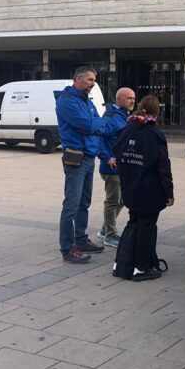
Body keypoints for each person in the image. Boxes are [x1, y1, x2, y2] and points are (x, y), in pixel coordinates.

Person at [56, 66, 121, 264]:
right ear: (77, 79)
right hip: (75, 158)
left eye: (94, 80)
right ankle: (67, 249)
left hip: (89, 158)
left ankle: (81, 239)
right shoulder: (67, 102)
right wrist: (94, 125)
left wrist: (95, 126)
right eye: (90, 80)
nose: (93, 84)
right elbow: (88, 125)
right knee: (72, 205)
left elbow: (97, 125)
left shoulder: (87, 102)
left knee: (84, 203)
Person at [113, 95, 174, 281]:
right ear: (157, 112)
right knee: (146, 227)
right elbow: (163, 167)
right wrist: (169, 193)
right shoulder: (155, 135)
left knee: (133, 223)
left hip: (130, 187)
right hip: (149, 190)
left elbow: (119, 156)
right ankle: (141, 268)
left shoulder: (126, 130)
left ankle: (121, 263)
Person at [96, 87, 135, 248]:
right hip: (112, 168)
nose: (132, 101)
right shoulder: (112, 117)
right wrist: (106, 157)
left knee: (122, 200)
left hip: (122, 168)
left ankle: (105, 230)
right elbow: (98, 135)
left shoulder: (124, 116)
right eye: (128, 98)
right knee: (112, 201)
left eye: (133, 98)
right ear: (119, 99)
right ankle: (110, 235)